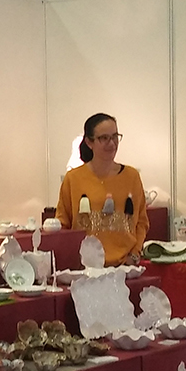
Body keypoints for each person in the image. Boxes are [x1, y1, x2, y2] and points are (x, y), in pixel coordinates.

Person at [55, 113, 149, 266]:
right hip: (85, 268)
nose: (111, 143)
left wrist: (134, 255)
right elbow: (63, 224)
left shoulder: (132, 176)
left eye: (115, 136)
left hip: (124, 267)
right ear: (89, 142)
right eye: (104, 138)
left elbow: (142, 223)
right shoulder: (73, 179)